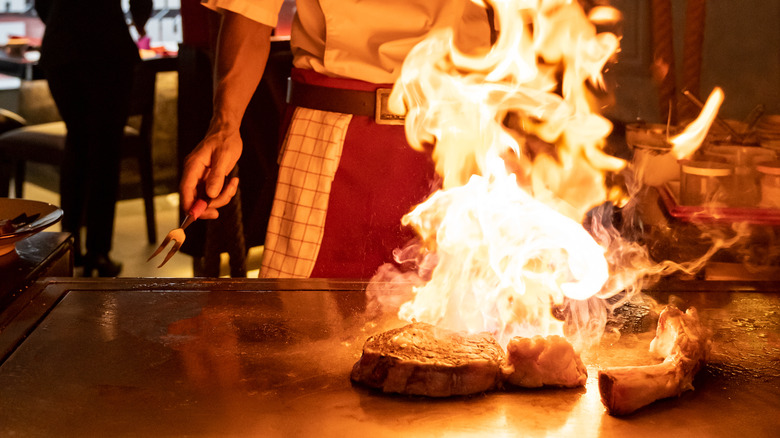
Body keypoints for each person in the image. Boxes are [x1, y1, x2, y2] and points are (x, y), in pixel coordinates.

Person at [182, 0, 493, 278]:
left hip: (464, 136)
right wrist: (225, 125)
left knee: (468, 321)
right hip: (332, 130)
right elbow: (249, 10)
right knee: (302, 327)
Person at [34, 0, 152, 276]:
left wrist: (61, 21)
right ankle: (99, 253)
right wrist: (139, 22)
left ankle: (68, 247)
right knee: (106, 150)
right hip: (108, 45)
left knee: (77, 142)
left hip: (60, 48)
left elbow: (42, 4)